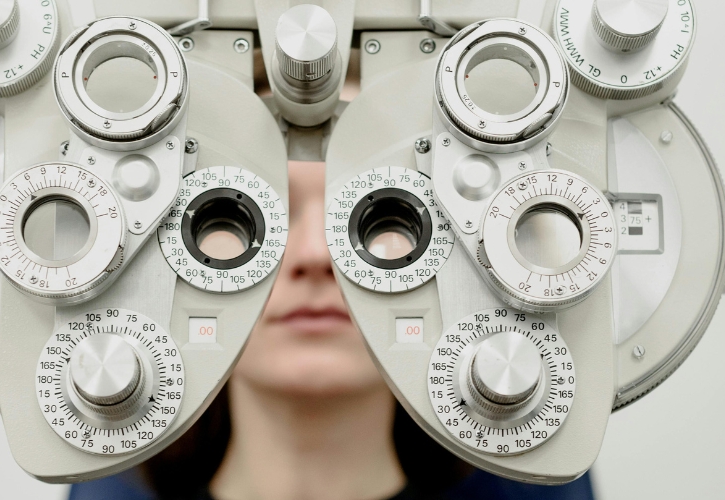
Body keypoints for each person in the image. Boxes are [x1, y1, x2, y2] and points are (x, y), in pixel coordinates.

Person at [69, 160, 595, 500]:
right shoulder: (104, 487)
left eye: (382, 214)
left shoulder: (541, 483)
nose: (316, 255)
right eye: (240, 215)